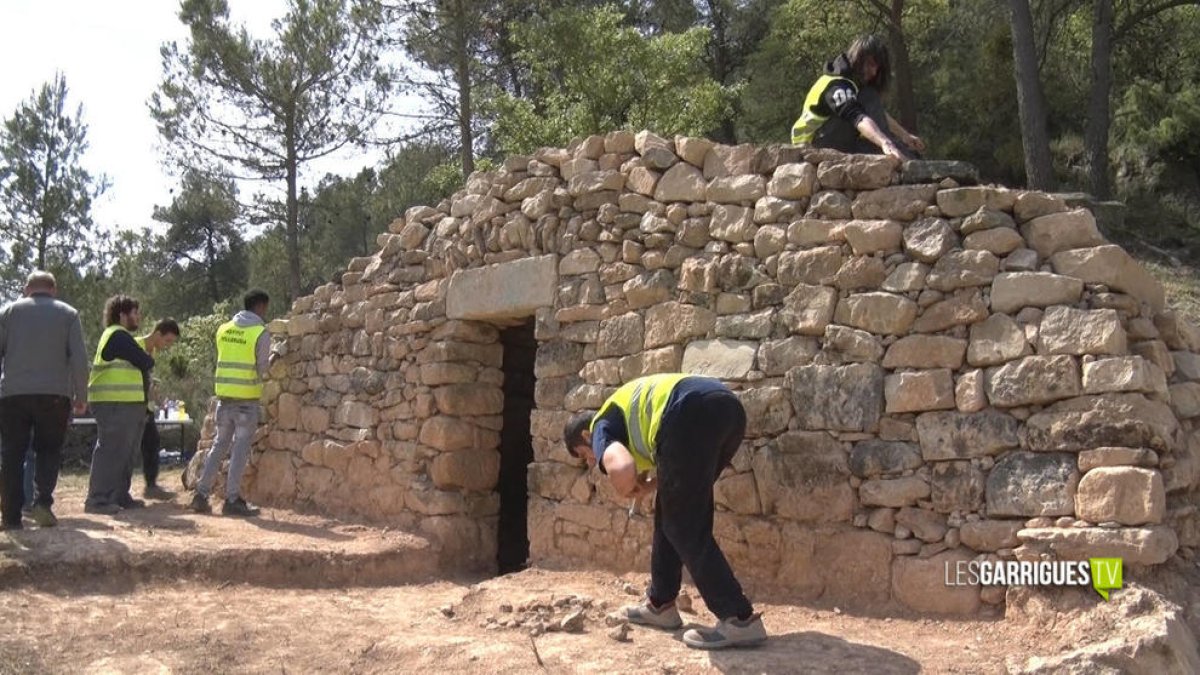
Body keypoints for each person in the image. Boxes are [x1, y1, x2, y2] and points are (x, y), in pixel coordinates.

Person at [563, 374, 766, 650]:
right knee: (671, 513)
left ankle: (739, 619)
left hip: (687, 413)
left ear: (586, 436)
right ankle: (661, 604)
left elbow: (620, 468)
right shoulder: (625, 414)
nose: (591, 460)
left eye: (585, 454)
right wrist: (648, 486)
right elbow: (676, 476)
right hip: (726, 411)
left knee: (683, 524)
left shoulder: (601, 425)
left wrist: (626, 487)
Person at [0, 271, 90, 529]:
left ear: (27, 288)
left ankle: (11, 517)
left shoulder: (8, 312)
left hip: (13, 395)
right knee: (48, 451)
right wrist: (81, 396)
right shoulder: (68, 314)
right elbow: (79, 360)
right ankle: (42, 503)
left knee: (11, 454)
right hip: (54, 395)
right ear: (54, 289)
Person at [190, 290, 270, 517]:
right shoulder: (260, 333)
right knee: (239, 450)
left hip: (224, 400)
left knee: (219, 446)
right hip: (246, 400)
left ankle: (201, 494)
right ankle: (232, 499)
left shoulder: (223, 329)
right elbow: (263, 367)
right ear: (261, 307)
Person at [791, 34, 924, 160]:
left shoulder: (856, 86)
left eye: (877, 67)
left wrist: (904, 136)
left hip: (839, 140)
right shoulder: (837, 85)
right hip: (813, 146)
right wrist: (885, 142)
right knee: (871, 108)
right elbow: (857, 116)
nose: (874, 72)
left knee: (909, 154)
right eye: (871, 64)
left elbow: (875, 113)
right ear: (858, 59)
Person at [85, 294, 154, 514]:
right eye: (134, 313)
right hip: (113, 403)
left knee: (126, 452)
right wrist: (146, 356)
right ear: (122, 315)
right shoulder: (118, 336)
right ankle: (97, 500)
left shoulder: (120, 336)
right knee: (111, 450)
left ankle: (119, 495)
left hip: (125, 403)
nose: (138, 317)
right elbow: (145, 361)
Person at [137, 319, 180, 500]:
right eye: (167, 341)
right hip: (130, 404)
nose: (167, 346)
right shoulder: (136, 344)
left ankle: (151, 486)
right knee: (129, 446)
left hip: (145, 405)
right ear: (157, 334)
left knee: (152, 442)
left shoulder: (151, 351)